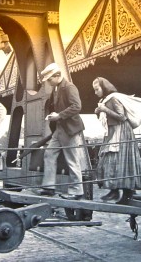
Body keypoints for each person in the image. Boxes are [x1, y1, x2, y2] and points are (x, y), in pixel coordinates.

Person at [92, 77, 141, 204]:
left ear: (104, 87)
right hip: (112, 131)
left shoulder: (114, 98)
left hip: (121, 131)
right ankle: (114, 189)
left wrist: (105, 109)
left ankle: (125, 192)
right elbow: (106, 118)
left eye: (97, 89)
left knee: (119, 160)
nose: (95, 93)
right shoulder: (104, 100)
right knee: (110, 159)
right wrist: (98, 111)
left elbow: (122, 117)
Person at [37, 62, 85, 200]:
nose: (48, 82)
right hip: (59, 129)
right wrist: (55, 115)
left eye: (49, 79)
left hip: (70, 130)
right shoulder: (57, 88)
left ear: (57, 75)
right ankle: (48, 187)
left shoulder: (69, 87)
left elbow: (77, 106)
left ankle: (77, 191)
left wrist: (59, 115)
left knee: (72, 160)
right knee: (49, 154)